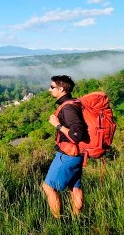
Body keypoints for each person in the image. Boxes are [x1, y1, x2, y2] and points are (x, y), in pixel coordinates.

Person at [43, 75, 88, 218]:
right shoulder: (73, 103)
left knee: (49, 187)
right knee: (74, 187)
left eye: (52, 87)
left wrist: (58, 125)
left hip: (68, 155)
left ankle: (58, 222)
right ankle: (78, 219)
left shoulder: (68, 108)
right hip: (78, 154)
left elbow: (77, 135)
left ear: (61, 89)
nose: (49, 89)